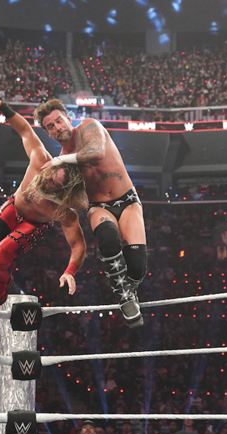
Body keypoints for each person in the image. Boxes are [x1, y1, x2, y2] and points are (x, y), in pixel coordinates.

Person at [0, 94, 87, 315]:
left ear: (62, 191)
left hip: (34, 224)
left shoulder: (64, 211)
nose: (47, 184)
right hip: (13, 207)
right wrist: (2, 106)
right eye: (49, 176)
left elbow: (78, 245)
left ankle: (3, 280)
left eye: (53, 186)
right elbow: (25, 130)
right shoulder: (40, 157)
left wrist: (70, 271)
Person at [34, 99, 147, 327]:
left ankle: (128, 290)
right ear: (48, 133)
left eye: (59, 121)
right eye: (51, 126)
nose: (58, 127)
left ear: (68, 118)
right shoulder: (62, 166)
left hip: (127, 200)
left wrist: (60, 159)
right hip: (99, 206)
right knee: (107, 235)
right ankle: (124, 296)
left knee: (137, 268)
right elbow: (77, 200)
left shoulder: (89, 126)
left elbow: (95, 153)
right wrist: (53, 195)